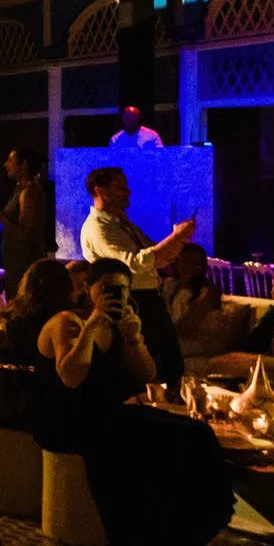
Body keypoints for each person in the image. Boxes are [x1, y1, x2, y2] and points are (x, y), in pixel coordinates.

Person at [37, 258, 232, 546]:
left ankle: (187, 530)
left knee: (196, 432)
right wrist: (92, 325)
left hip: (112, 414)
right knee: (153, 439)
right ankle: (153, 536)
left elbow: (146, 374)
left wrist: (133, 336)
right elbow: (71, 377)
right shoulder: (67, 321)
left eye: (122, 290)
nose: (115, 295)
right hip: (71, 419)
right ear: (88, 288)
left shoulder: (122, 325)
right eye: (107, 288)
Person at [79, 165, 192, 385]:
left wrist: (179, 240)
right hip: (131, 300)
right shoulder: (97, 228)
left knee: (170, 364)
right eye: (120, 187)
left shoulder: (122, 224)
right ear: (100, 191)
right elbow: (135, 263)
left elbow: (155, 255)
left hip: (148, 298)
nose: (128, 192)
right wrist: (176, 237)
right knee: (149, 369)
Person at [0, 146, 54, 296]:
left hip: (24, 264)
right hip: (15, 262)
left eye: (10, 160)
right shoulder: (19, 189)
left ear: (23, 164)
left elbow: (26, 233)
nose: (6, 164)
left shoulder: (30, 192)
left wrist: (0, 218)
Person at [164, 242, 226, 363]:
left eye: (196, 263)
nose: (191, 266)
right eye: (187, 261)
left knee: (164, 347)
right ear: (177, 261)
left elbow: (185, 327)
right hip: (175, 336)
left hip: (201, 340)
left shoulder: (207, 291)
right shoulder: (169, 284)